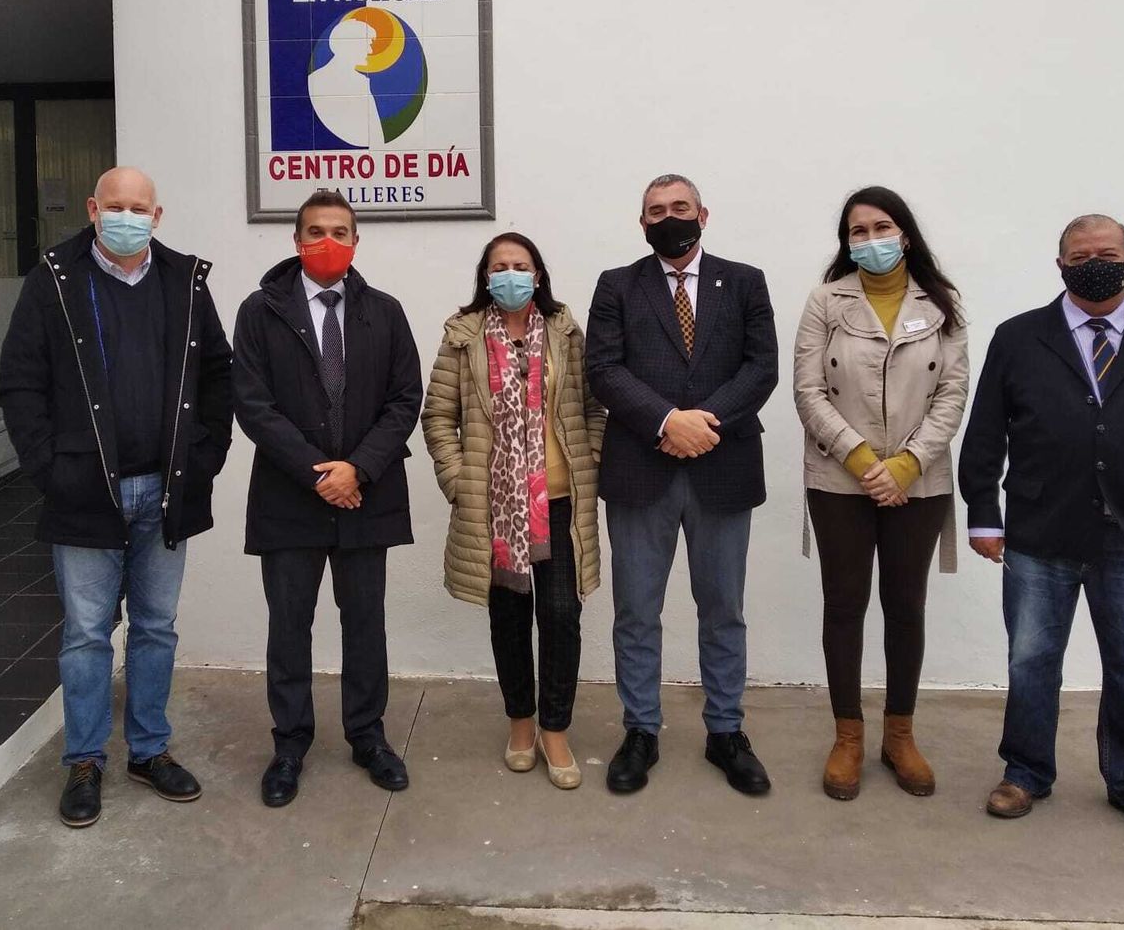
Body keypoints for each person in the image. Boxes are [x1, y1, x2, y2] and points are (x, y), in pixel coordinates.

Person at [960, 214, 1124, 845]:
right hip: (1037, 534)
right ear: (1060, 266)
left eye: (1106, 252)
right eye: (1080, 255)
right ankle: (1025, 772)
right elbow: (985, 434)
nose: (1094, 262)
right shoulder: (1020, 337)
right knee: (1031, 662)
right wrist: (982, 513)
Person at [0, 166, 233, 828]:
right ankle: (84, 760)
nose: (127, 216)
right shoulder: (55, 281)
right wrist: (51, 470)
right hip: (84, 491)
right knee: (86, 635)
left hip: (166, 490)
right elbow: (19, 384)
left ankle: (150, 749)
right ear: (95, 209)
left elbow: (218, 372)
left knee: (156, 627)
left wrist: (203, 459)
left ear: (157, 217)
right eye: (116, 205)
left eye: (140, 207)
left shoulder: (183, 281)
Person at [585, 173, 780, 795]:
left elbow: (762, 367)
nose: (669, 217)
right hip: (643, 469)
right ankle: (641, 729)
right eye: (655, 210)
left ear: (703, 213)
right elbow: (604, 369)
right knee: (637, 612)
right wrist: (668, 422)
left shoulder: (745, 281)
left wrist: (704, 424)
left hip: (722, 467)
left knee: (723, 610)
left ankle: (726, 731)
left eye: (680, 207)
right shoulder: (617, 286)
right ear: (641, 223)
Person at [233, 189, 423, 808]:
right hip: (291, 497)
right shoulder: (259, 312)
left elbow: (404, 400)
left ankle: (367, 735)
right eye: (315, 230)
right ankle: (290, 743)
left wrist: (357, 470)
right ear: (295, 240)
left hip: (365, 496)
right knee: (289, 626)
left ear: (357, 242)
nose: (328, 242)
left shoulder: (385, 312)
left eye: (341, 231)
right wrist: (319, 472)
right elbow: (254, 406)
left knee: (365, 622)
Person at [792, 186, 970, 801]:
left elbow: (952, 393)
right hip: (840, 477)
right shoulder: (825, 301)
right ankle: (847, 736)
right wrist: (866, 460)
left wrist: (908, 465)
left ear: (906, 233)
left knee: (905, 605)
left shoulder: (943, 305)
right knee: (844, 606)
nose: (870, 240)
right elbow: (808, 391)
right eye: (857, 231)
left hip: (918, 482)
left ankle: (900, 734)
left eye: (881, 227)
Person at [421, 233, 606, 789]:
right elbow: (438, 417)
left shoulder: (568, 334)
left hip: (559, 503)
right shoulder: (463, 336)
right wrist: (459, 480)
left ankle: (556, 729)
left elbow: (594, 407)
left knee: (560, 619)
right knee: (508, 622)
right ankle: (520, 724)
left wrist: (588, 460)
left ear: (539, 275)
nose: (510, 275)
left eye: (520, 266)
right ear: (485, 276)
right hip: (495, 507)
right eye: (499, 267)